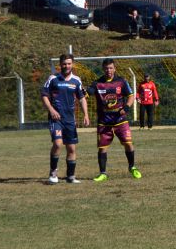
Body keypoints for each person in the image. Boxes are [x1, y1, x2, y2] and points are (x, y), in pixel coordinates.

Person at [88, 58, 142, 182]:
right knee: (102, 148)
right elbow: (88, 92)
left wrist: (127, 107)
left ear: (114, 68)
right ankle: (103, 173)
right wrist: (85, 92)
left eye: (111, 68)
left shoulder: (121, 81)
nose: (109, 70)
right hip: (104, 121)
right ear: (103, 69)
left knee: (128, 144)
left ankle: (132, 167)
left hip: (120, 121)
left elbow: (131, 95)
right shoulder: (97, 83)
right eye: (106, 68)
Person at [40, 54, 90, 184]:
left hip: (70, 120)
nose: (66, 66)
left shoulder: (76, 80)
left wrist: (86, 115)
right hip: (56, 119)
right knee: (57, 144)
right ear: (60, 64)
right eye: (64, 64)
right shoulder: (53, 79)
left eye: (69, 63)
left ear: (72, 64)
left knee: (71, 149)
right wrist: (51, 110)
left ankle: (71, 176)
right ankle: (53, 172)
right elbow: (44, 96)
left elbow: (82, 98)